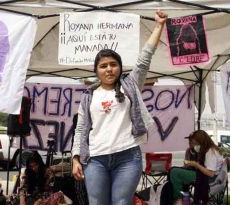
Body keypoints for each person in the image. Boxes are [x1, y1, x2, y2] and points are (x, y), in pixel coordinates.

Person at [71, 10, 168, 205]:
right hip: (95, 159)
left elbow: (144, 59)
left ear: (120, 67)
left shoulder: (130, 85)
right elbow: (80, 128)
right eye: (103, 65)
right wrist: (75, 158)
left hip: (128, 157)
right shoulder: (88, 96)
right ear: (96, 71)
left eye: (113, 64)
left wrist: (159, 26)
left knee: (122, 202)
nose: (109, 69)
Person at [170, 130, 223, 205]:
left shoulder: (210, 152)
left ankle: (180, 200)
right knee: (177, 172)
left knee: (174, 172)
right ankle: (185, 200)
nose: (194, 145)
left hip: (209, 179)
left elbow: (210, 173)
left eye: (196, 143)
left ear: (201, 142)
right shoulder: (208, 150)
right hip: (204, 176)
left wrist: (196, 164)